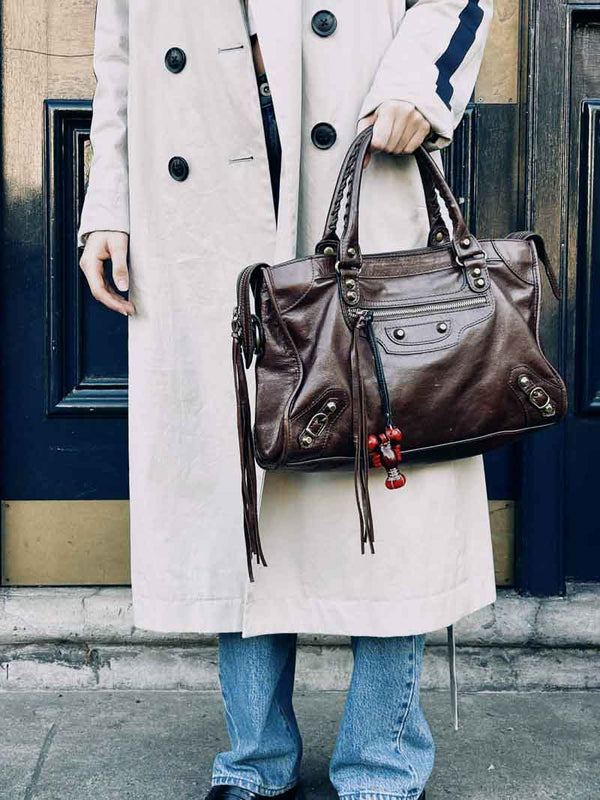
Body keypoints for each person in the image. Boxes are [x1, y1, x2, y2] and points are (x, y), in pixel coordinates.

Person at [78, 2, 495, 797]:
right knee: (240, 479)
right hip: (198, 184)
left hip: (358, 151)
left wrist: (419, 80)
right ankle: (254, 760)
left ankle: (382, 763)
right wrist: (109, 203)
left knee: (386, 480)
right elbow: (123, 45)